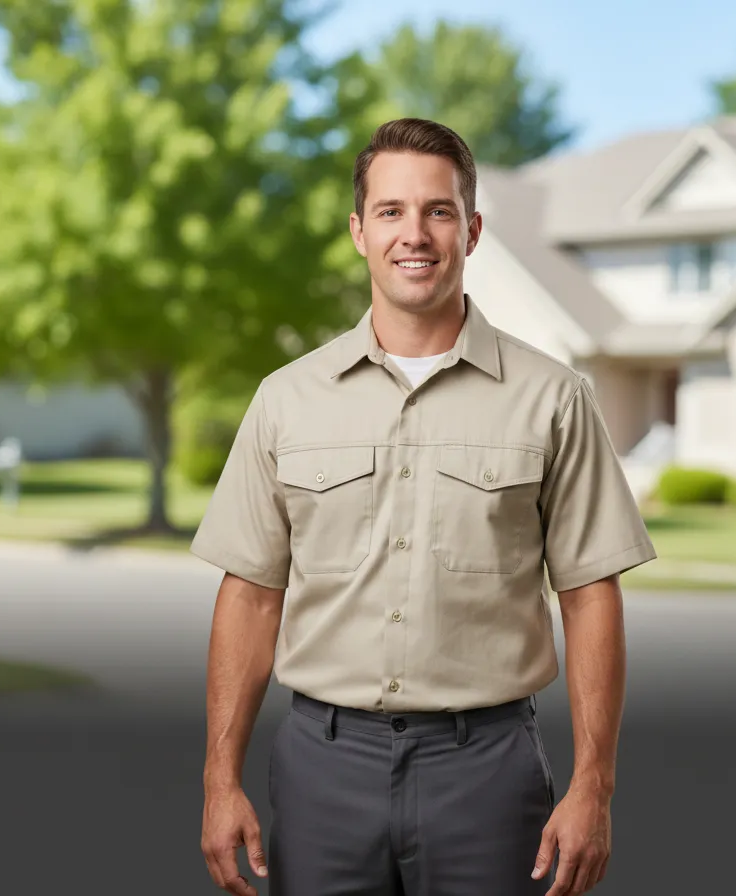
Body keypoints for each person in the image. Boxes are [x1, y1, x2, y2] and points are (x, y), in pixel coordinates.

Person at [192, 118, 656, 896]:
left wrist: (592, 787)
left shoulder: (554, 399)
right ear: (358, 231)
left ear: (471, 231)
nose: (416, 233)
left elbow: (589, 596)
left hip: (488, 772)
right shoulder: (286, 401)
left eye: (439, 211)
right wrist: (218, 780)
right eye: (392, 211)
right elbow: (250, 595)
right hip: (322, 769)